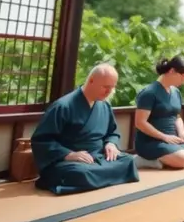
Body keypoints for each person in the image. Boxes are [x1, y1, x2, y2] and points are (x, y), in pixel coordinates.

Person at [30, 64, 140, 195]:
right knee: (80, 173)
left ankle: (97, 178)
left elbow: (112, 132)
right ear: (91, 80)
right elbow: (41, 140)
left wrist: (111, 143)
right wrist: (68, 154)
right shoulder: (63, 106)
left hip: (98, 156)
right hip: (70, 161)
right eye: (106, 87)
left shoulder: (104, 106)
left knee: (127, 161)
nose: (109, 92)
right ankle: (98, 177)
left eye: (112, 88)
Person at [133, 56, 184, 169]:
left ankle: (170, 159)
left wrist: (182, 133)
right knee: (183, 158)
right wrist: (164, 137)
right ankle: (147, 159)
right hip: (152, 142)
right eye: (183, 77)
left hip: (173, 141)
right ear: (172, 71)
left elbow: (177, 117)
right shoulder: (149, 93)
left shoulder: (176, 92)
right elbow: (140, 123)